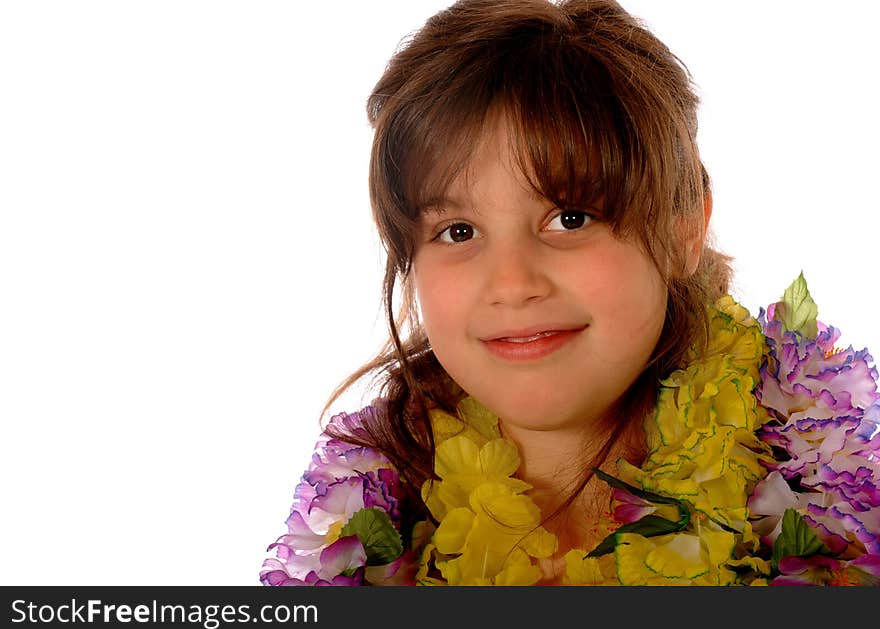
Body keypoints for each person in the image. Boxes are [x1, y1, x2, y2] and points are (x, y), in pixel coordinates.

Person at [260, 0, 880, 586]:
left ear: (683, 226)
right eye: (458, 231)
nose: (512, 283)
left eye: (570, 217)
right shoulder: (367, 519)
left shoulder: (828, 487)